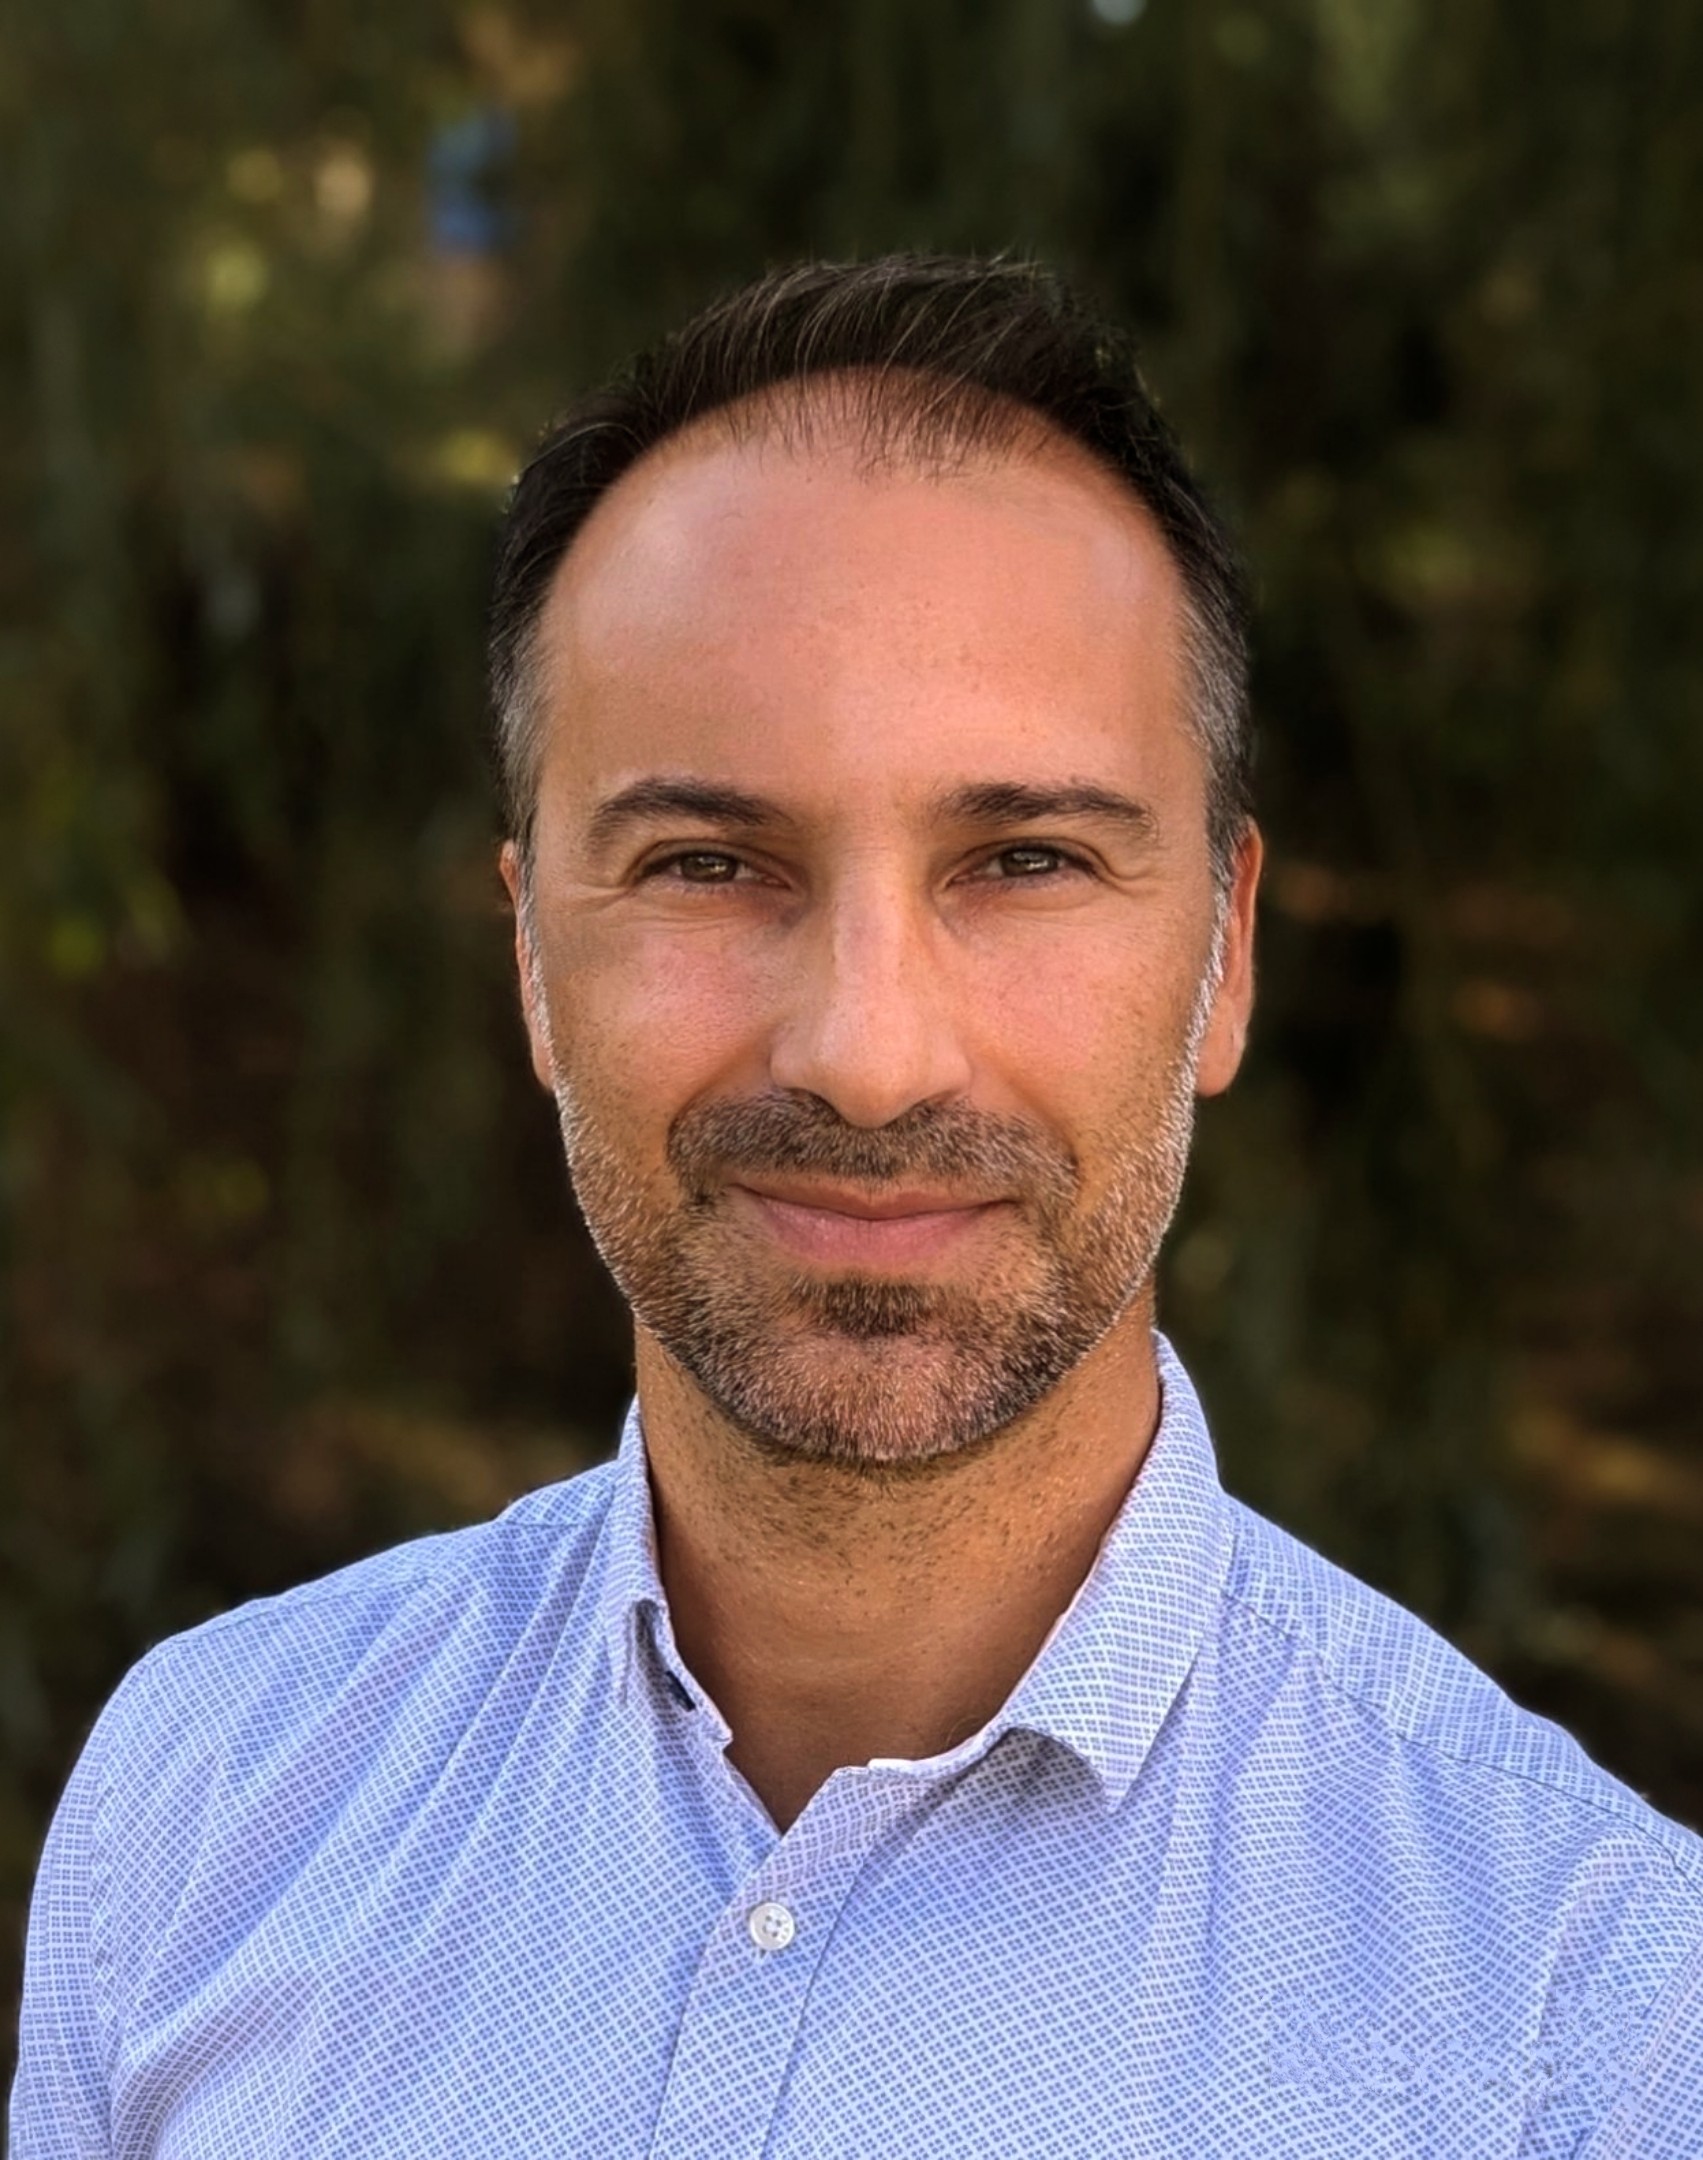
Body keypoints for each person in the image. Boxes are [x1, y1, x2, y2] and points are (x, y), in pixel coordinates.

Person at [12, 255, 1702, 2158]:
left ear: (1226, 957)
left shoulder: (1590, 2024)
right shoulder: (207, 1799)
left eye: (1027, 859)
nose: (871, 1056)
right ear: (533, 962)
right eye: (708, 862)